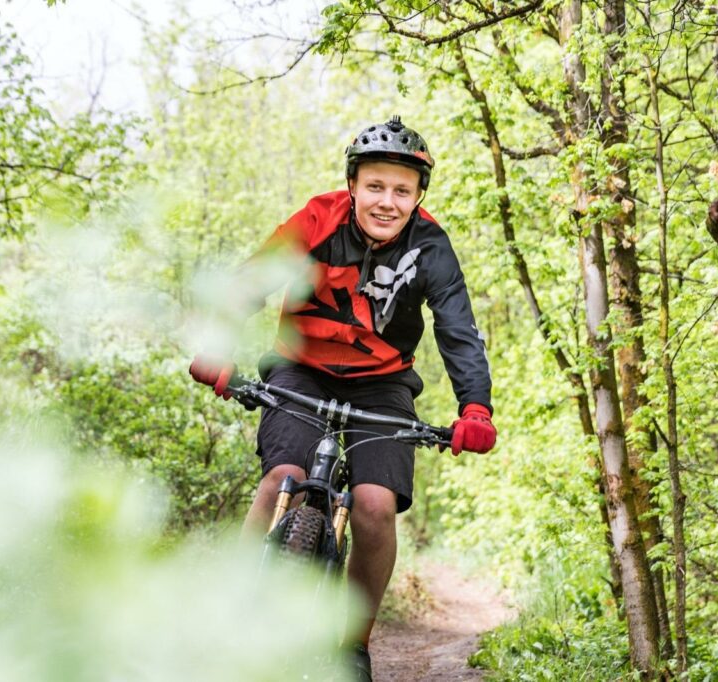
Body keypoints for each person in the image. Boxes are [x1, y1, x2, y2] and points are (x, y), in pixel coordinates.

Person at [189, 115, 496, 681]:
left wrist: (474, 407)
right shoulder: (315, 219)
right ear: (353, 185)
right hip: (299, 368)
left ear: (417, 196)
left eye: (402, 190)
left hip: (383, 383)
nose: (387, 201)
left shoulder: (431, 247)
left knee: (375, 506)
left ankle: (352, 643)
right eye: (375, 186)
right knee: (282, 474)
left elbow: (458, 328)